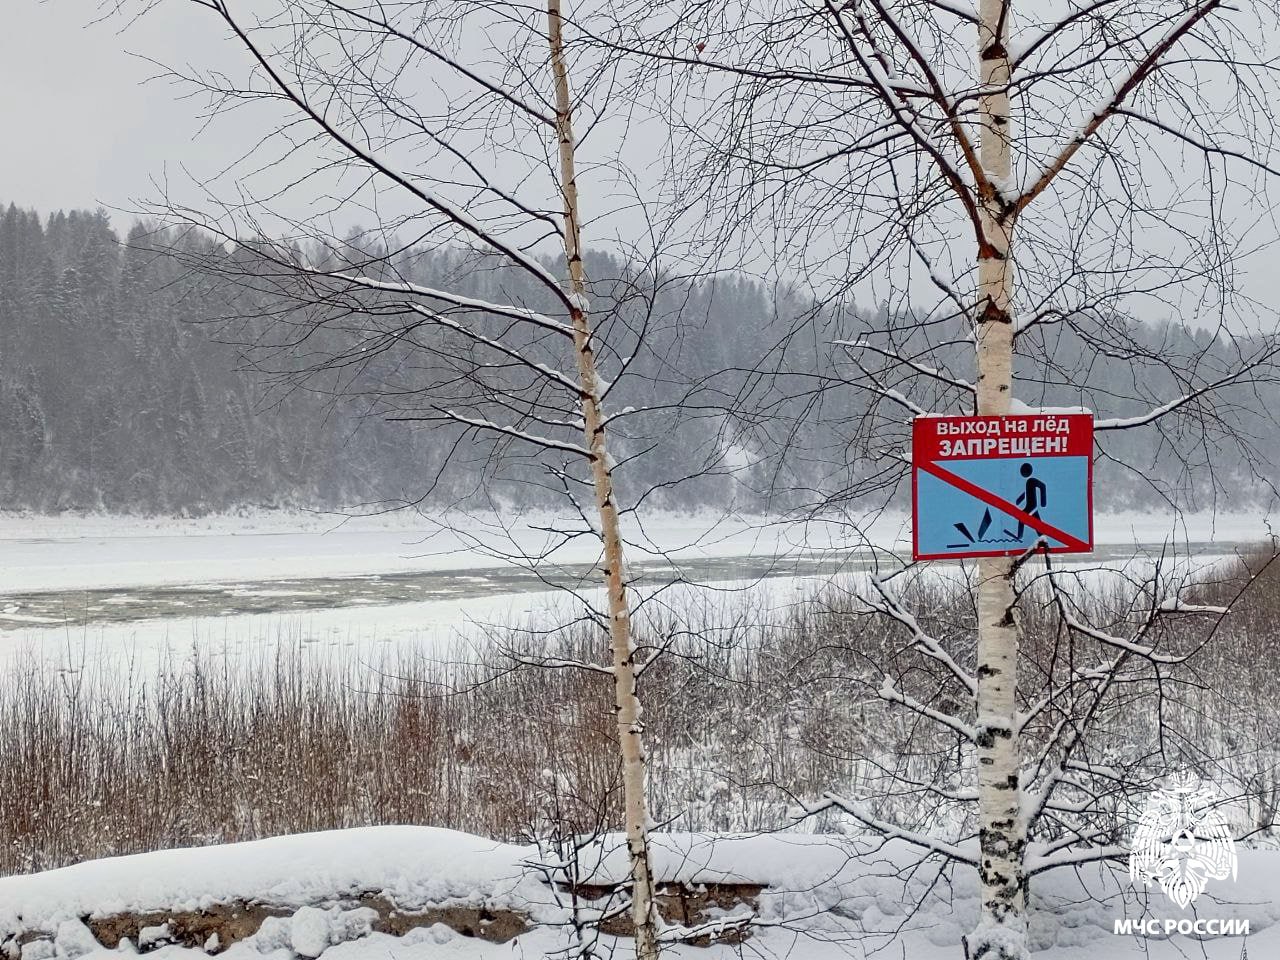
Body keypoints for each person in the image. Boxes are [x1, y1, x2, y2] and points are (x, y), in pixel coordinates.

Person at [1006, 462, 1046, 539]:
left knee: (1022, 519)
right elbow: (1026, 494)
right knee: (1036, 522)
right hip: (1030, 506)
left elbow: (1043, 486)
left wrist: (1043, 502)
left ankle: (1020, 536)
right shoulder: (1028, 482)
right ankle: (1041, 536)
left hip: (1032, 506)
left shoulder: (1031, 481)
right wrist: (1019, 500)